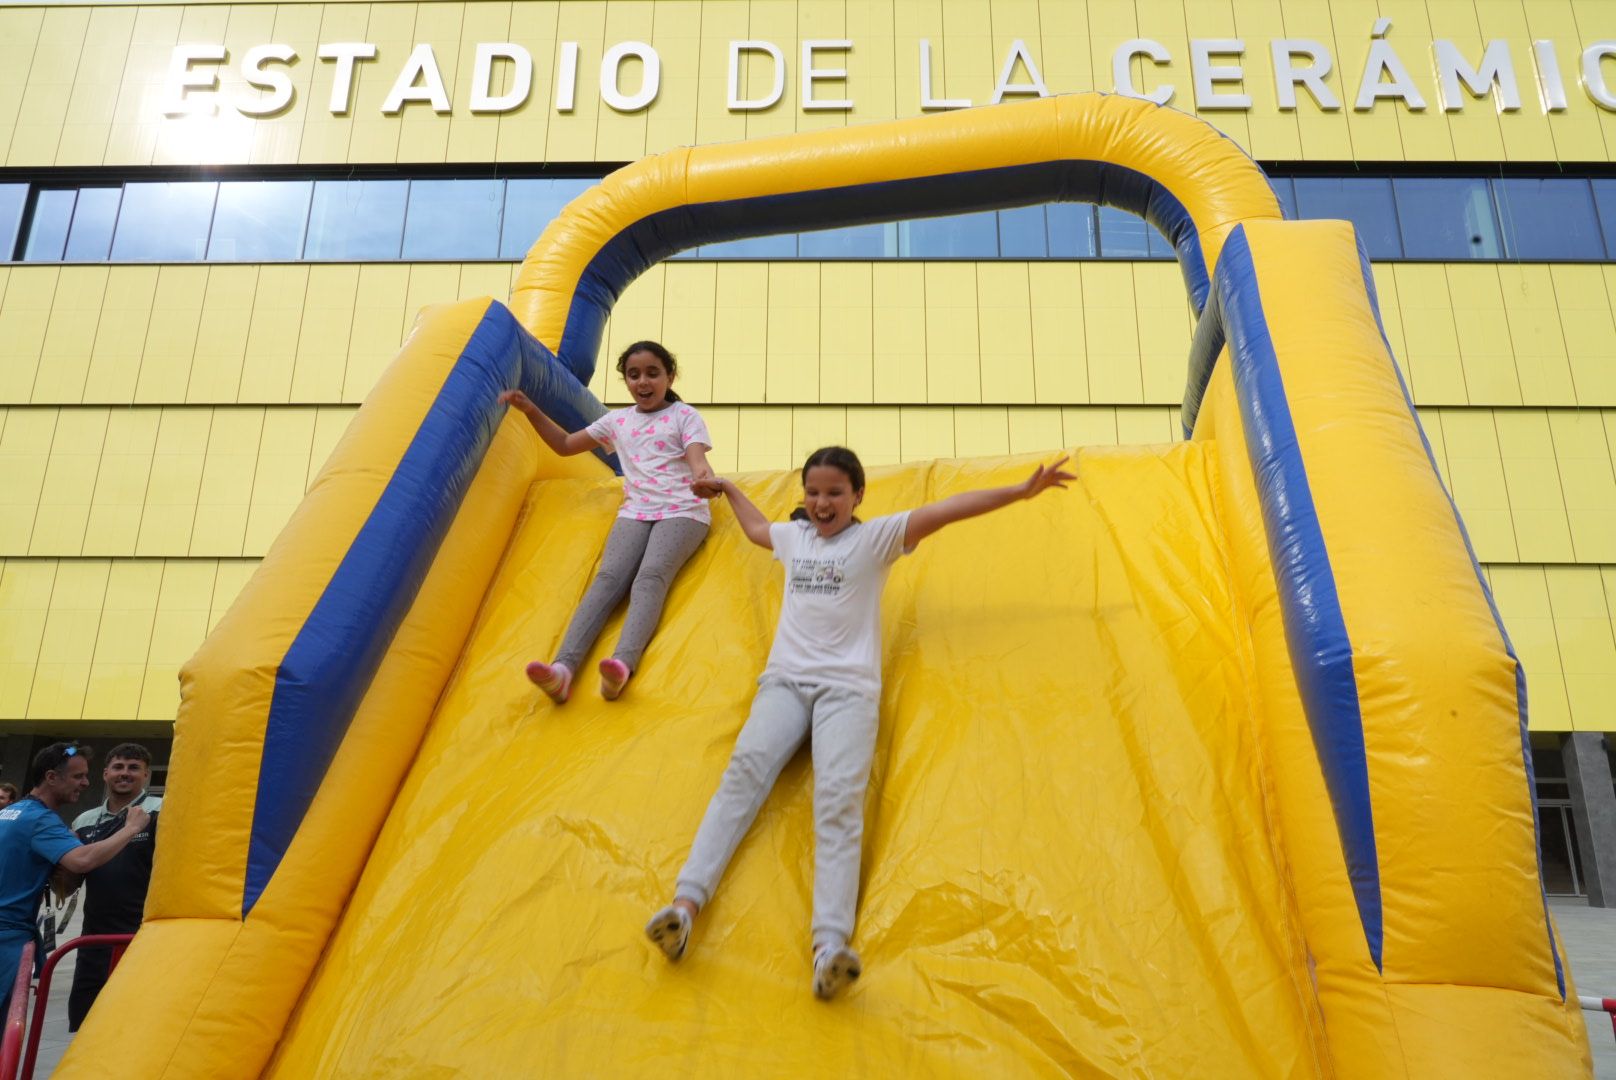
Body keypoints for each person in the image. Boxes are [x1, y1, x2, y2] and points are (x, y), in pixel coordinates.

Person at [645, 446, 1075, 1000]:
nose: (822, 503)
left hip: (847, 692)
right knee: (742, 776)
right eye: (814, 493)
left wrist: (1019, 491)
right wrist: (727, 489)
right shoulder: (794, 538)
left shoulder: (875, 540)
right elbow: (756, 530)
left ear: (857, 497)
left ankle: (828, 949)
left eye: (834, 493)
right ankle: (684, 908)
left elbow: (948, 510)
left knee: (839, 803)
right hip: (786, 684)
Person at [500, 340, 716, 703]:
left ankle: (621, 664)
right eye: (634, 375)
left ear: (669, 376)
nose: (643, 382)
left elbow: (698, 460)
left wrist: (703, 479)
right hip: (636, 510)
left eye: (652, 373)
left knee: (650, 577)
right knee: (608, 578)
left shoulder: (684, 416)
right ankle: (563, 671)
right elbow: (566, 445)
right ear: (626, 381)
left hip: (682, 509)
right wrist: (531, 410)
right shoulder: (617, 421)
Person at [0, 744, 150, 1006]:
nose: (85, 783)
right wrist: (131, 828)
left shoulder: (8, 813)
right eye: (78, 776)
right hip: (8, 935)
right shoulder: (41, 820)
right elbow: (82, 861)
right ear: (51, 777)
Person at [65, 743, 162, 1032]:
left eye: (134, 768)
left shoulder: (163, 811)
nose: (125, 773)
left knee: (133, 1026)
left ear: (146, 776)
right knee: (86, 1024)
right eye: (118, 767)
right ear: (105, 773)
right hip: (93, 940)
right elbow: (70, 883)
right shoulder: (83, 821)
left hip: (144, 939)